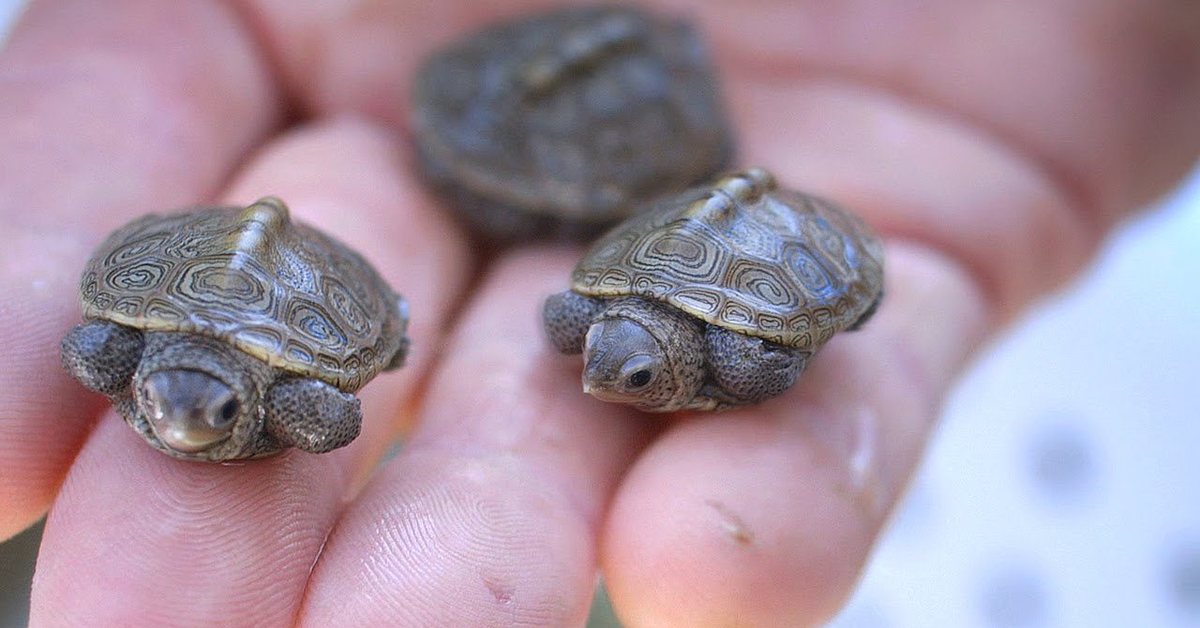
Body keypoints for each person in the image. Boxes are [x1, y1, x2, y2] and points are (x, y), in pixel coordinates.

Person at [1, 0, 1196, 625]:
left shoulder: (712, 344)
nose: (595, 370)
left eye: (627, 372)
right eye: (170, 397)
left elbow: (760, 355)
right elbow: (113, 344)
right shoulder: (156, 358)